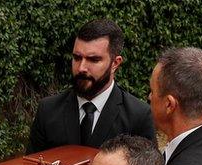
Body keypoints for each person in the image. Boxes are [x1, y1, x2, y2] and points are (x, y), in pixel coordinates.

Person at [27, 19, 155, 153]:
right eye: (77, 58)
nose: (81, 68)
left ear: (115, 63)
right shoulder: (48, 110)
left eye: (93, 60)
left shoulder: (138, 117)